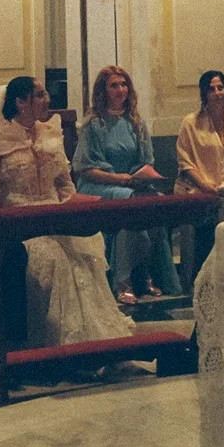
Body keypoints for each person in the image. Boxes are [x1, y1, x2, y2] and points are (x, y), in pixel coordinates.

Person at [0, 76, 136, 348]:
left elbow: (63, 182)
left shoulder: (50, 133)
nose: (47, 99)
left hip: (57, 217)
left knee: (84, 255)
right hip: (21, 224)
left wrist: (72, 209)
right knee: (54, 261)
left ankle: (94, 341)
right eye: (39, 95)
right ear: (20, 102)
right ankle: (54, 343)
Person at [72, 65, 182, 306]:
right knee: (129, 202)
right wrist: (120, 179)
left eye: (124, 85)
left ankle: (148, 274)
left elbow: (147, 160)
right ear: (103, 91)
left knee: (153, 201)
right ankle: (125, 280)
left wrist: (142, 176)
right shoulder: (94, 124)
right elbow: (85, 169)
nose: (121, 89)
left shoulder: (136, 122)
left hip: (132, 183)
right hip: (98, 185)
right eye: (114, 85)